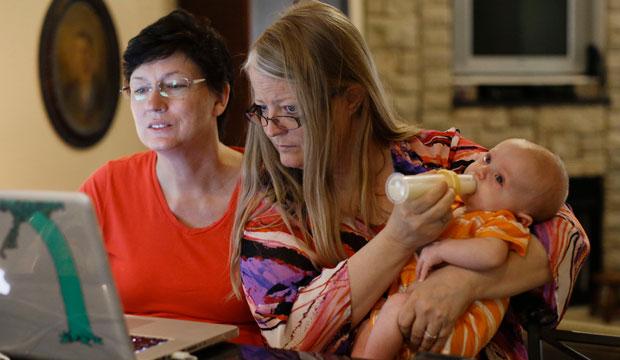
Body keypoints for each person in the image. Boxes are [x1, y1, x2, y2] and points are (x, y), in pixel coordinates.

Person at [230, 0, 589, 358]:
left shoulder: (437, 155)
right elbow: (293, 338)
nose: (271, 129)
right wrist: (398, 239)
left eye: (292, 110)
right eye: (262, 109)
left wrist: (463, 282)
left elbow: (565, 232)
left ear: (352, 99)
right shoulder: (275, 209)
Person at [79, 10, 262, 345]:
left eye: (174, 85)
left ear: (220, 97)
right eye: (139, 88)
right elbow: (50, 289)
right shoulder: (108, 186)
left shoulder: (269, 187)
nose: (153, 102)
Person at [351, 138, 569, 359]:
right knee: (366, 334)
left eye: (499, 179)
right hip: (414, 308)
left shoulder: (501, 221)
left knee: (393, 310)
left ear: (523, 219)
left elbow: (491, 254)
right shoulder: (458, 206)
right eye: (488, 158)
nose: (482, 172)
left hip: (456, 325)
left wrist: (441, 250)